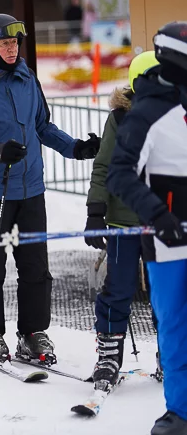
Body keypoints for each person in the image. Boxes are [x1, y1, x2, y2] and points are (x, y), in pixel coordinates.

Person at [0, 14, 100, 365]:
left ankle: (32, 332)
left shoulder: (26, 77)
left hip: (31, 188)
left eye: (15, 43)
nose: (11, 49)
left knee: (35, 265)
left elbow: (42, 126)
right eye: (4, 44)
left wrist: (74, 147)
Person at [107, 21, 187, 435]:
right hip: (168, 241)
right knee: (176, 326)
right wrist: (157, 212)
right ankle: (180, 413)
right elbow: (119, 174)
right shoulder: (149, 112)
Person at [84, 51, 160, 391]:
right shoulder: (120, 118)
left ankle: (170, 354)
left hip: (163, 219)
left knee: (166, 291)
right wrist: (95, 210)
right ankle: (109, 355)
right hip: (122, 221)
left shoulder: (175, 115)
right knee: (118, 288)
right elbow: (104, 165)